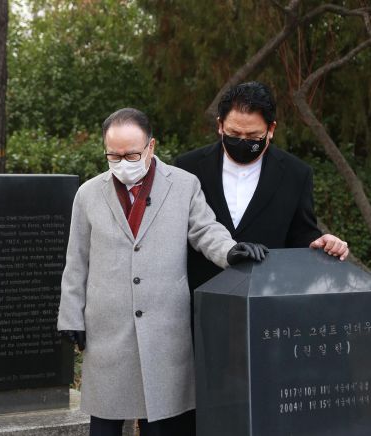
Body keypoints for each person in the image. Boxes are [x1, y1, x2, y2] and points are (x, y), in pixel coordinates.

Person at [57, 108, 267, 436]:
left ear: (151, 146)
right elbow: (76, 261)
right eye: (113, 154)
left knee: (162, 424)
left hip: (165, 329)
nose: (122, 162)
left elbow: (205, 230)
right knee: (105, 424)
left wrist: (230, 250)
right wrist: (71, 318)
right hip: (108, 329)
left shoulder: (183, 185)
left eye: (132, 154)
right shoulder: (88, 194)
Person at [175, 81, 349, 294]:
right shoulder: (187, 166)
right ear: (220, 125)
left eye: (252, 137)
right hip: (201, 299)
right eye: (234, 134)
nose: (242, 142)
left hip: (267, 299)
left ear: (271, 129)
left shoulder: (296, 173)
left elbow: (302, 234)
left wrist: (322, 243)